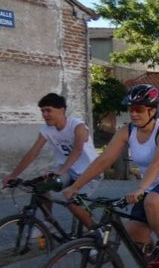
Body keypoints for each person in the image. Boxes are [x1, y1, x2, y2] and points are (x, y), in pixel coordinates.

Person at [63, 84, 159, 268]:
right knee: (134, 233)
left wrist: (141, 188)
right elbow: (104, 160)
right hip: (154, 184)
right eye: (131, 109)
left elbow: (157, 164)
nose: (133, 113)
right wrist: (76, 186)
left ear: (152, 111)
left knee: (152, 201)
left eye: (139, 109)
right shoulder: (127, 131)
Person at [3, 93, 101, 230]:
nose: (45, 114)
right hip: (68, 171)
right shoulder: (46, 130)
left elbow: (77, 150)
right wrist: (14, 175)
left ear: (62, 109)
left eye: (48, 110)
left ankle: (97, 234)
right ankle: (49, 223)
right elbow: (33, 153)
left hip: (89, 172)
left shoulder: (77, 126)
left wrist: (60, 172)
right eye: (42, 111)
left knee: (72, 202)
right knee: (40, 188)